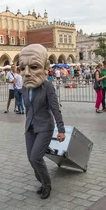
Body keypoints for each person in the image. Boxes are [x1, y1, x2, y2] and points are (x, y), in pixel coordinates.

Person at [21, 44, 65, 200]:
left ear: (45, 68)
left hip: (45, 127)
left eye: (33, 67)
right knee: (31, 159)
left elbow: (55, 109)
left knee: (35, 157)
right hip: (30, 128)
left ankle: (47, 185)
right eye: (22, 68)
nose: (26, 74)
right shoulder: (25, 88)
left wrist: (61, 130)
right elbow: (28, 108)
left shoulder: (47, 87)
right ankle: (42, 181)